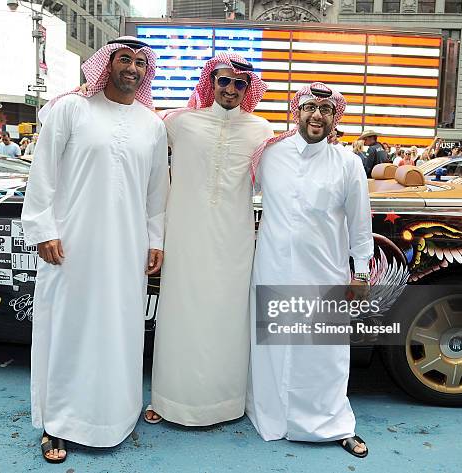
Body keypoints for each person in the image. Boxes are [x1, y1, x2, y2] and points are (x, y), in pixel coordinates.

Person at [21, 36, 169, 463]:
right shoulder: (70, 109)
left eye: (141, 62)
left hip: (126, 249)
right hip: (71, 246)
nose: (133, 68)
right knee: (69, 331)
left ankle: (117, 415)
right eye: (125, 59)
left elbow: (156, 192)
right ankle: (59, 424)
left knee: (119, 331)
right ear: (107, 64)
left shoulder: (152, 125)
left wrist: (154, 239)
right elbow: (43, 174)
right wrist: (43, 229)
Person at [145, 53, 275, 426]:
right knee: (179, 315)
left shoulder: (261, 129)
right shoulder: (180, 123)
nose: (231, 89)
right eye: (224, 81)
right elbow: (136, 126)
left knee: (226, 317)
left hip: (234, 241)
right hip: (185, 236)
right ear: (210, 83)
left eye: (240, 84)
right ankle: (170, 401)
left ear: (249, 89)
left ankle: (226, 404)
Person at [246, 82, 373, 458]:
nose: (317, 115)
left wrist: (361, 272)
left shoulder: (348, 164)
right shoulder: (269, 156)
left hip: (324, 273)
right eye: (309, 107)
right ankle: (271, 418)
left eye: (326, 109)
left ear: (335, 117)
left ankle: (333, 424)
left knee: (323, 355)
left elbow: (359, 224)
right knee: (273, 350)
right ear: (296, 112)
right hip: (272, 269)